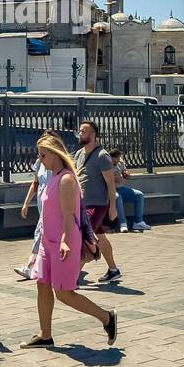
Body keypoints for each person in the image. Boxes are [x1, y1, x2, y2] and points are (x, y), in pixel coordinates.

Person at [19, 133, 117, 350]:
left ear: (55, 154)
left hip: (64, 242)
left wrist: (64, 241)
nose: (40, 160)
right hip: (48, 241)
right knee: (42, 285)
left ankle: (107, 318)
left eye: (43, 155)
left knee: (64, 293)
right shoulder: (53, 176)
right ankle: (45, 335)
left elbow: (67, 216)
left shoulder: (65, 179)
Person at [75, 120, 121, 284]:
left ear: (93, 135)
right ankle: (113, 270)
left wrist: (113, 207)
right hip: (82, 204)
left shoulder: (102, 156)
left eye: (84, 131)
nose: (80, 134)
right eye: (80, 131)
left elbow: (110, 183)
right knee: (100, 237)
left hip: (98, 205)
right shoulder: (79, 153)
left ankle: (72, 276)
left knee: (84, 238)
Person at [16, 137, 51, 280]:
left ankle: (31, 266)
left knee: (40, 233)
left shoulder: (56, 164)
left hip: (51, 205)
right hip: (41, 205)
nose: (40, 155)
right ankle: (40, 268)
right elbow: (35, 183)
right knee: (43, 235)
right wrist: (26, 203)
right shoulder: (40, 163)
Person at [109, 148, 150, 232]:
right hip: (110, 189)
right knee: (117, 197)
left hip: (121, 188)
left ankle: (138, 222)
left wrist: (126, 175)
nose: (118, 160)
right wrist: (115, 179)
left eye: (119, 158)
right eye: (116, 158)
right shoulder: (106, 164)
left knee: (139, 195)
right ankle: (122, 223)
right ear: (112, 158)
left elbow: (125, 173)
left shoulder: (120, 162)